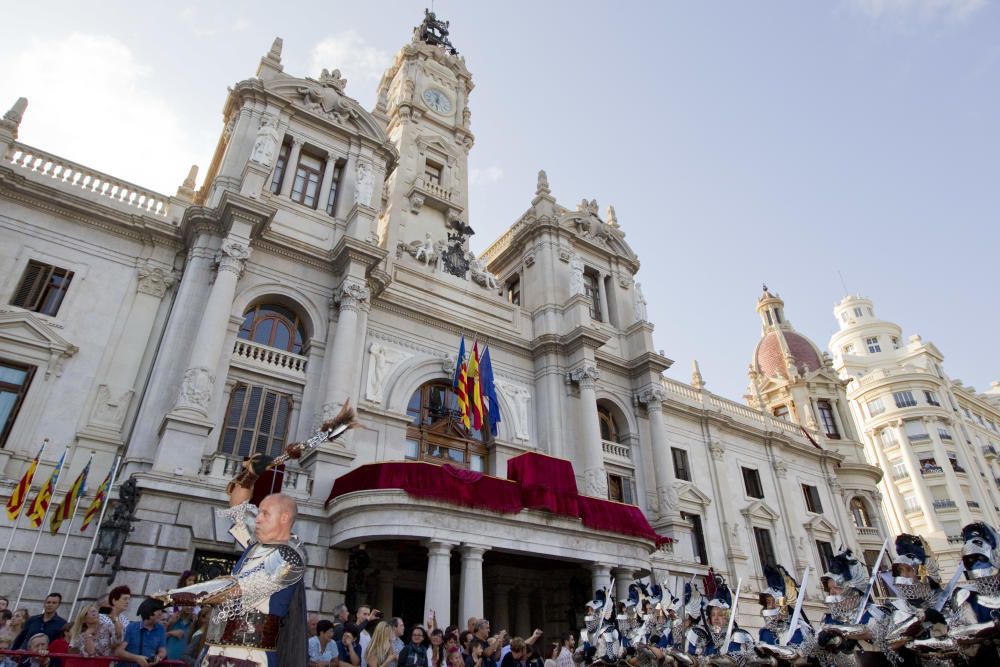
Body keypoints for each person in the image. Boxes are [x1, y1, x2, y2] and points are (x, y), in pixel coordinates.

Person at [154, 459, 310, 667]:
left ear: (284, 518)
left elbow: (235, 588)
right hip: (215, 653)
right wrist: (250, 475)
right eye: (259, 512)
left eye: (265, 514)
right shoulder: (254, 545)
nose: (258, 519)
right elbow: (237, 505)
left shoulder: (290, 556)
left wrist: (181, 595)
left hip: (251, 658)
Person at [115, 598, 167, 667]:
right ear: (148, 610)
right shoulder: (132, 627)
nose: (160, 613)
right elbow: (119, 652)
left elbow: (162, 651)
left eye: (161, 610)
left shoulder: (161, 629)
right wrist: (137, 658)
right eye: (157, 610)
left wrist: (158, 658)